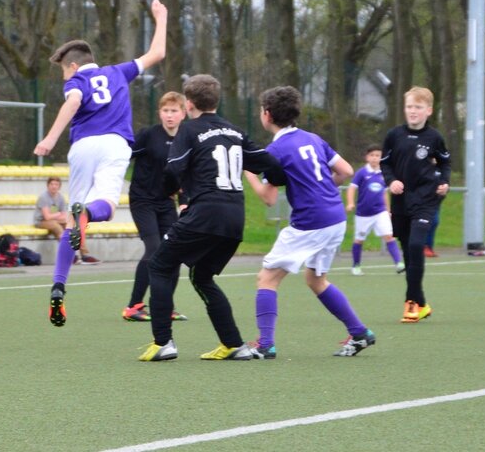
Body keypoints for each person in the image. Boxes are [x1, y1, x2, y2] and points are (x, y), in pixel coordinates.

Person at [34, 0, 167, 328]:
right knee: (104, 207)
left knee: (71, 223)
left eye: (63, 70)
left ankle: (58, 287)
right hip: (114, 145)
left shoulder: (75, 82)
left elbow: (74, 102)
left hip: (82, 147)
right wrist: (161, 17)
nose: (63, 76)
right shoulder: (118, 71)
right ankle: (88, 214)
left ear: (73, 66)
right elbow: (157, 53)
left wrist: (50, 138)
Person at [137, 75, 285, 361]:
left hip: (206, 213)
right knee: (202, 276)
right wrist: (274, 182)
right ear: (217, 101)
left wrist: (169, 192)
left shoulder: (188, 130)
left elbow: (173, 170)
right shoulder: (235, 132)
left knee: (159, 265)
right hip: (234, 219)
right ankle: (233, 344)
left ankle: (163, 342)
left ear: (188, 104)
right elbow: (273, 167)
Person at [245, 86, 374, 360]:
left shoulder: (275, 150)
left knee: (267, 278)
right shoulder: (313, 138)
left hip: (311, 222)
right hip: (335, 217)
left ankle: (265, 345)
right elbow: (346, 171)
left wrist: (250, 173)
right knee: (316, 279)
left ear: (267, 115)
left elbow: (268, 198)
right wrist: (323, 188)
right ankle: (359, 332)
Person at [381, 86, 451, 323]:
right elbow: (385, 164)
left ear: (428, 110)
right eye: (409, 106)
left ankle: (410, 302)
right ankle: (421, 302)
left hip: (426, 199)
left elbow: (445, 163)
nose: (413, 111)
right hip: (401, 201)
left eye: (418, 107)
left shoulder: (434, 138)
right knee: (408, 251)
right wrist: (391, 181)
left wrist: (444, 182)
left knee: (416, 244)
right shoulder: (394, 135)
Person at [122, 92, 187, 321]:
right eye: (165, 110)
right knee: (154, 249)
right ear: (159, 112)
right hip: (142, 201)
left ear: (183, 113)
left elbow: (185, 174)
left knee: (174, 252)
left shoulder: (186, 139)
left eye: (174, 111)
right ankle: (133, 307)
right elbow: (123, 157)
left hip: (166, 203)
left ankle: (165, 307)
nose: (169, 115)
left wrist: (184, 202)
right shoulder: (148, 135)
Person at [345, 144, 404, 275]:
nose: (374, 158)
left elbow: (384, 193)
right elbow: (352, 188)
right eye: (372, 155)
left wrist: (388, 210)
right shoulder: (362, 173)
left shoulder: (384, 173)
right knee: (359, 240)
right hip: (363, 214)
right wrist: (350, 203)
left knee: (389, 236)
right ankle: (356, 265)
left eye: (377, 156)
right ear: (367, 157)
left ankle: (399, 263)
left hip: (380, 212)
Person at [33, 176, 97, 265]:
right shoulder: (43, 197)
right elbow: (47, 217)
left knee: (75, 226)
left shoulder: (60, 197)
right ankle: (70, 255)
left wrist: (58, 215)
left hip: (55, 220)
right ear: (48, 185)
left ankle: (84, 254)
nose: (54, 186)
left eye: (56, 184)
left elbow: (64, 215)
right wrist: (58, 214)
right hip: (41, 221)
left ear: (59, 186)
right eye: (52, 184)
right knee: (57, 227)